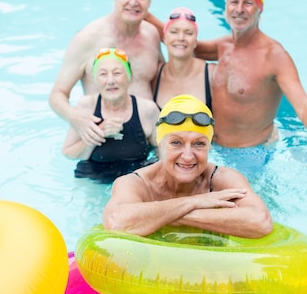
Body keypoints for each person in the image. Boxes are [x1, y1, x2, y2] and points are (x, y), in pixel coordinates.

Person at [146, 0, 307, 178]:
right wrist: (142, 12)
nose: (239, 9)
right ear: (225, 8)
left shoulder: (273, 55)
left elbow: (303, 105)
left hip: (251, 154)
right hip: (214, 149)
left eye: (248, 3)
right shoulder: (223, 46)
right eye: (234, 2)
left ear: (259, 10)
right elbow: (180, 41)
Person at [102, 94, 273, 238]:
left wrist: (170, 214)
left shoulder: (222, 179)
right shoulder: (136, 183)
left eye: (199, 144)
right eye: (176, 142)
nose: (188, 155)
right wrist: (196, 202)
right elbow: (116, 221)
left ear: (209, 147)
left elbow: (261, 221)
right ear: (160, 144)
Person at [50, 0, 163, 148]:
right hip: (101, 144)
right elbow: (57, 94)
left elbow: (162, 80)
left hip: (146, 144)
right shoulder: (87, 39)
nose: (134, 1)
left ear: (149, 3)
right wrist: (78, 119)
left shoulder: (151, 35)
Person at [62, 47, 160, 183]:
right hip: (93, 180)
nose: (110, 81)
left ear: (129, 77)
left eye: (117, 73)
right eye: (103, 74)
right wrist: (98, 132)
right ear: (96, 80)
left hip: (136, 181)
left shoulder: (147, 110)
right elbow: (69, 153)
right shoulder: (86, 107)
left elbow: (161, 150)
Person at [151, 7, 215, 110]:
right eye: (174, 32)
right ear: (164, 38)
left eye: (188, 33)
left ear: (195, 42)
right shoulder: (155, 75)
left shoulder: (211, 75)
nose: (181, 38)